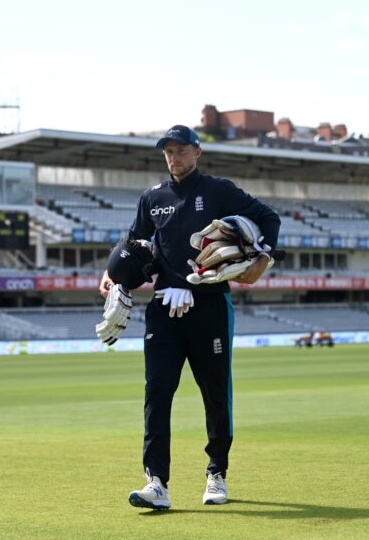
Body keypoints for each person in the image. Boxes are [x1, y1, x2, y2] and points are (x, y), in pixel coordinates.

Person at [99, 125, 280, 510]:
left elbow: (268, 219)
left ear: (197, 153)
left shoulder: (219, 191)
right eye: (168, 151)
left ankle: (217, 474)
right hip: (164, 308)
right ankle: (156, 483)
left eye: (181, 150)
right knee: (157, 393)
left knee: (215, 395)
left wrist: (263, 260)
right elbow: (132, 242)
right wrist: (111, 272)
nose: (173, 158)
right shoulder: (152, 198)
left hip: (210, 306)